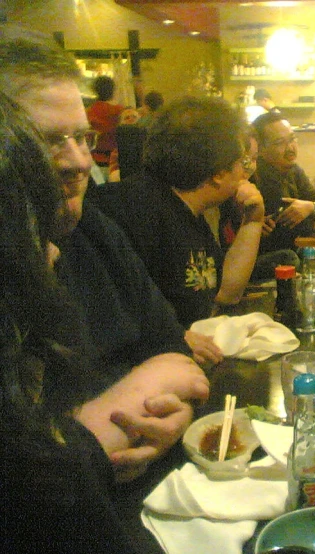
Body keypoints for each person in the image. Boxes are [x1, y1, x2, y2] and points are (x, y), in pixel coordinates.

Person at [0, 37, 209, 480]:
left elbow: (177, 356)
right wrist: (129, 400)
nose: (78, 161)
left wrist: (175, 419)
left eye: (81, 137)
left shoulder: (96, 233)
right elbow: (28, 473)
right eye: (48, 142)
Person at [95, 96, 265, 333]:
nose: (244, 173)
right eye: (241, 162)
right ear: (219, 171)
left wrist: (253, 221)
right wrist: (173, 339)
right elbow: (106, 317)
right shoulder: (126, 210)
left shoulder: (190, 213)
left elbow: (227, 293)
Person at [251, 111, 315, 280]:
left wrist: (310, 207)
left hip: (295, 249)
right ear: (260, 149)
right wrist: (252, 225)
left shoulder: (293, 171)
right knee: (290, 258)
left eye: (292, 139)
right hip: (262, 258)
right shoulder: (253, 176)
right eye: (280, 143)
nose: (291, 148)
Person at [85, 74, 124, 169]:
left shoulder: (89, 111)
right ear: (112, 90)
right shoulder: (120, 111)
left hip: (95, 159)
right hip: (116, 160)